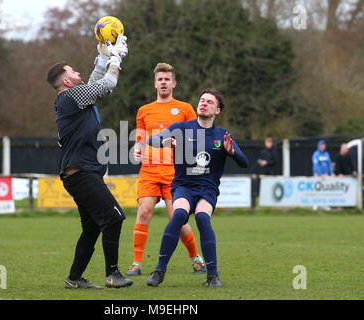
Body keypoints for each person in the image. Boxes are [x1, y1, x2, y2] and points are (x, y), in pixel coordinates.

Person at [45, 36, 133, 289]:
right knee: (114, 218)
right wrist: (115, 59)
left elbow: (94, 84)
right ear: (66, 81)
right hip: (82, 174)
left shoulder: (73, 97)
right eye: (73, 70)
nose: (78, 71)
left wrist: (103, 56)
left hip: (79, 174)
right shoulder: (71, 97)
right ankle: (113, 275)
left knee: (93, 227)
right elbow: (106, 84)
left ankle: (74, 279)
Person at [145, 88, 249, 288]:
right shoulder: (181, 128)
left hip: (207, 189)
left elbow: (244, 162)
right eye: (202, 100)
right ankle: (159, 271)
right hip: (183, 186)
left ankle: (213, 276)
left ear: (217, 110)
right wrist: (165, 142)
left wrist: (232, 152)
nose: (204, 103)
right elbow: (152, 140)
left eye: (210, 102)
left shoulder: (223, 135)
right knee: (178, 216)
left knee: (202, 217)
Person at [127, 63, 205, 276]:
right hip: (149, 170)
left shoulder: (185, 109)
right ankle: (136, 263)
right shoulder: (144, 110)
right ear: (155, 84)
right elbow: (141, 139)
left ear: (174, 83)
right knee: (143, 212)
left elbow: (196, 137)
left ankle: (196, 258)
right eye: (160, 79)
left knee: (177, 218)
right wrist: (137, 149)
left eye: (167, 79)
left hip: (174, 172)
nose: (163, 82)